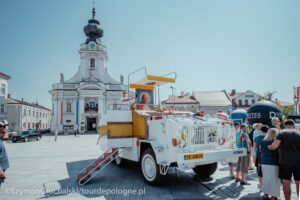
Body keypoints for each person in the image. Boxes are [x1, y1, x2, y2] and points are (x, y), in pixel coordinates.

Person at [269, 119, 300, 200]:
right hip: (298, 161)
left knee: (286, 181)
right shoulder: (299, 133)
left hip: (285, 161)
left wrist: (270, 147)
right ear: (293, 125)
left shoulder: (281, 133)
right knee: (298, 181)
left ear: (285, 125)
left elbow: (275, 146)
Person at [261, 128, 280, 200]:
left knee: (266, 179)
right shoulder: (276, 142)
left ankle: (265, 195)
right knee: (274, 180)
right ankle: (273, 196)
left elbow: (261, 152)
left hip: (264, 162)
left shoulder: (263, 141)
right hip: (274, 162)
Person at [253, 125, 269, 191]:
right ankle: (267, 186)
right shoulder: (270, 137)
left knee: (260, 172)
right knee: (267, 171)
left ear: (260, 130)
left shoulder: (257, 137)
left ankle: (262, 186)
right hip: (268, 156)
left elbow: (254, 147)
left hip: (259, 156)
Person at [0, 121, 9, 187]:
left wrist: (4, 132)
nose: (5, 128)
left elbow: (6, 137)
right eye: (4, 127)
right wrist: (0, 171)